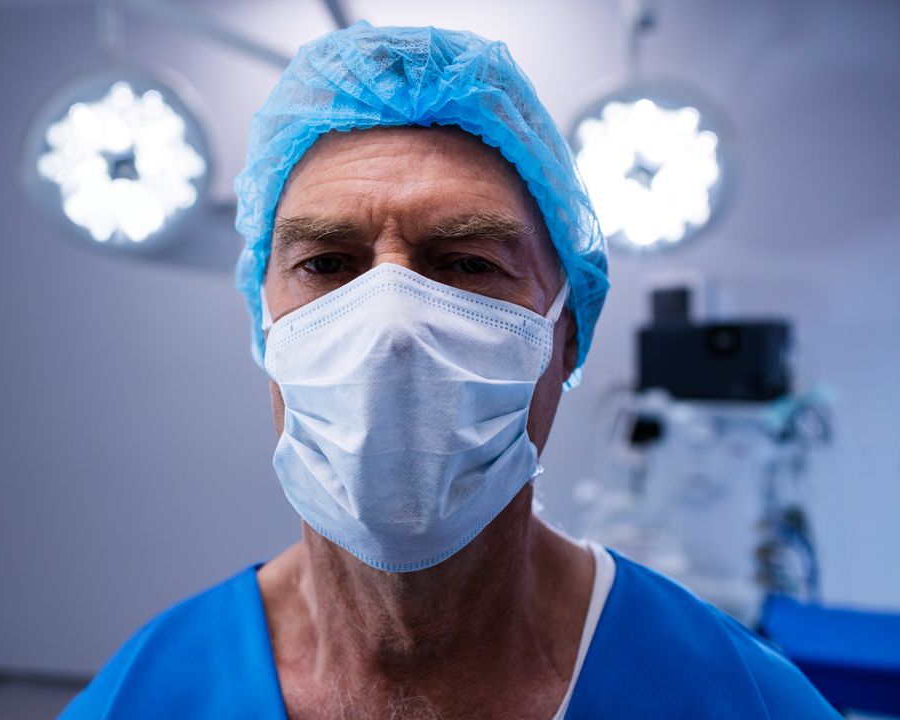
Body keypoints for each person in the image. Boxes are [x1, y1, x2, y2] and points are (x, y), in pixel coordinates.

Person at [60, 22, 840, 719]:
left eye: (467, 263)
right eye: (328, 263)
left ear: (565, 333)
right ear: (266, 330)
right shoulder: (147, 696)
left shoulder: (739, 699)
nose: (393, 327)